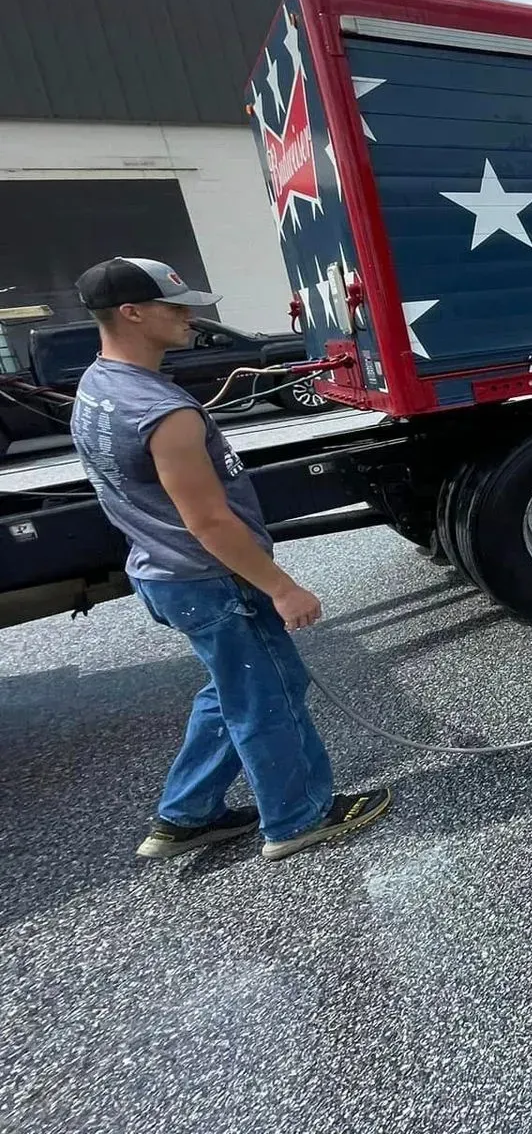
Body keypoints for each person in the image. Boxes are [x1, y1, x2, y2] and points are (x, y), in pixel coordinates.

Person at [69, 257, 392, 863]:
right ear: (131, 313)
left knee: (235, 689)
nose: (190, 315)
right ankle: (298, 818)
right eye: (175, 306)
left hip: (165, 573)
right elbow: (209, 520)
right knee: (269, 694)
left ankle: (186, 816)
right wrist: (282, 587)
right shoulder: (163, 413)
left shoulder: (98, 387)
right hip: (211, 579)